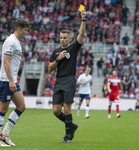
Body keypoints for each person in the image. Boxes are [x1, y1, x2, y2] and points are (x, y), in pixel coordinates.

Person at [48, 9, 86, 143]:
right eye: (61, 38)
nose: (63, 40)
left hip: (69, 79)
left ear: (69, 39)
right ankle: (72, 126)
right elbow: (49, 68)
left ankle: (67, 137)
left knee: (67, 107)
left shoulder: (73, 48)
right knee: (56, 111)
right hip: (59, 81)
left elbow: (81, 34)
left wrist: (83, 20)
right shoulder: (56, 51)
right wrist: (57, 59)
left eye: (65, 38)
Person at [0, 19, 29, 147]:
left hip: (12, 80)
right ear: (19, 29)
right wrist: (11, 81)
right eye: (25, 29)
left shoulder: (16, 42)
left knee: (21, 106)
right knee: (3, 109)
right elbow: (6, 62)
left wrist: (13, 80)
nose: (27, 32)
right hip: (6, 80)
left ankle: (5, 134)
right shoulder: (11, 41)